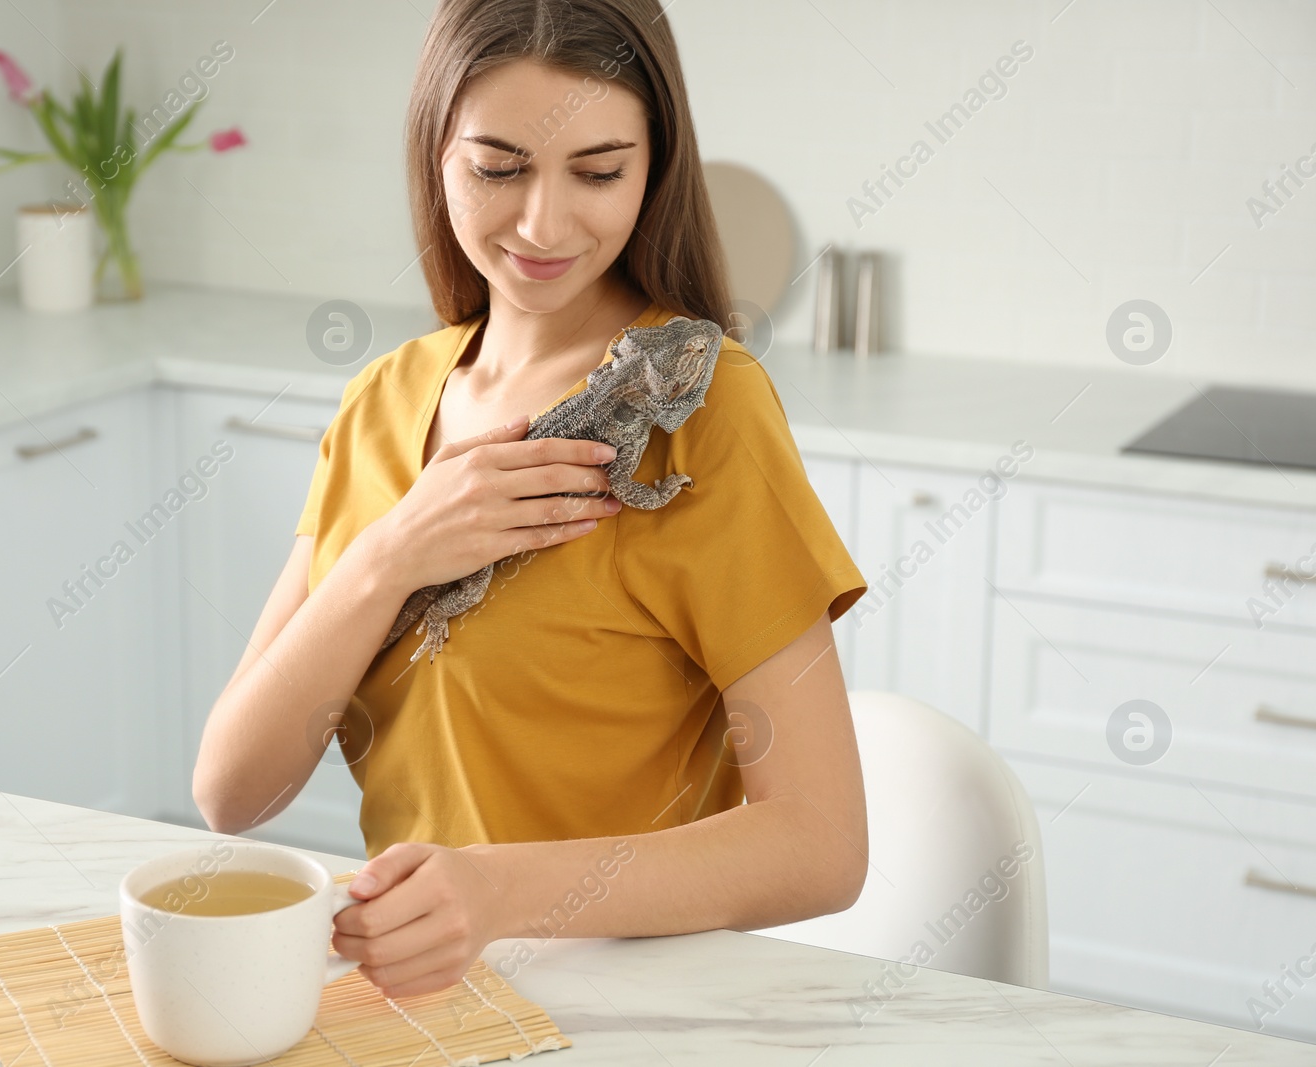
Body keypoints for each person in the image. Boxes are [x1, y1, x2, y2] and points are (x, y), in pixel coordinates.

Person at [193, 0, 870, 999]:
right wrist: (391, 553)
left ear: (655, 167)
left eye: (598, 171)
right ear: (436, 154)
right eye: (498, 167)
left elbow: (820, 844)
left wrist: (495, 890)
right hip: (426, 997)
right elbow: (230, 790)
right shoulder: (381, 400)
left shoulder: (709, 408)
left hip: (641, 1004)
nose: (543, 223)